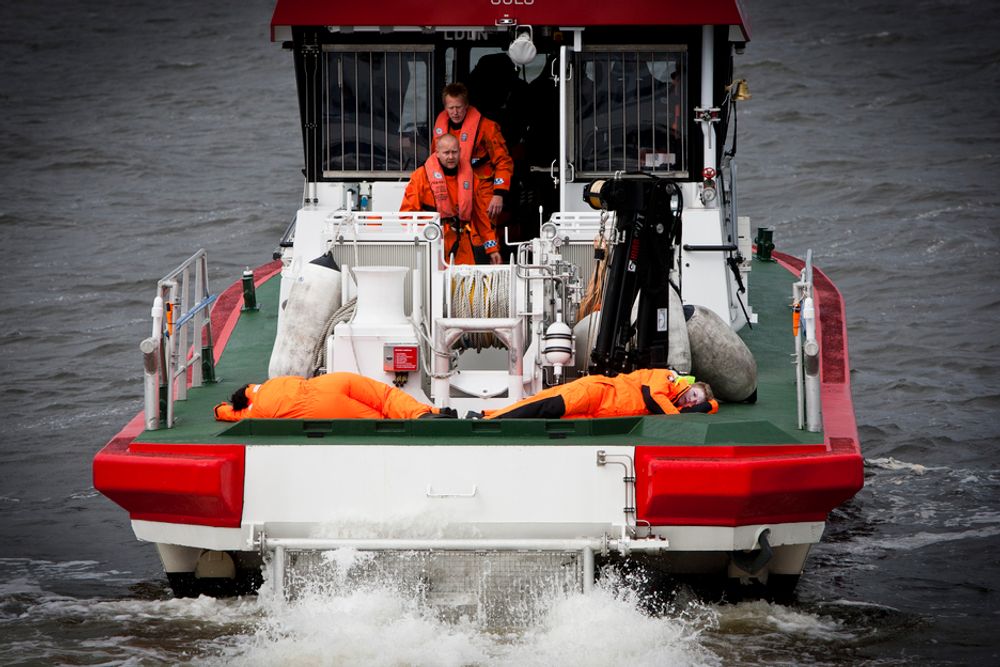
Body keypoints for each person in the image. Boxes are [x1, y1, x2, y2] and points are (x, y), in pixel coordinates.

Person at [434, 82, 513, 251]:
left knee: (485, 234)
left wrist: (499, 194)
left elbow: (503, 161)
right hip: (452, 186)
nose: (455, 112)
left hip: (481, 187)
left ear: (467, 106)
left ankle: (490, 261)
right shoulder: (441, 128)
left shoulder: (488, 127)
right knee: (449, 231)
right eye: (451, 108)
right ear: (445, 108)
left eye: (459, 107)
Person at [401, 133, 501, 265]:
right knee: (434, 284)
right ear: (437, 153)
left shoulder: (471, 177)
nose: (451, 157)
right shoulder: (420, 176)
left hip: (461, 243)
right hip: (432, 242)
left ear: (460, 151)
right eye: (446, 153)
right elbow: (407, 216)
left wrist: (492, 249)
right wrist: (423, 239)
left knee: (465, 283)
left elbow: (481, 217)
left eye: (454, 152)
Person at [483, 369, 717, 419]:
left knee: (542, 409)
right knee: (548, 406)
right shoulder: (669, 379)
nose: (692, 400)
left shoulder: (673, 405)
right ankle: (491, 419)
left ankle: (485, 414)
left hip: (598, 410)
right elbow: (652, 396)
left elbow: (711, 406)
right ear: (689, 386)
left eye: (696, 402)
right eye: (694, 394)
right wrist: (677, 418)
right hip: (598, 393)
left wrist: (709, 405)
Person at [213, 372, 454, 421]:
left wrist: (219, 409)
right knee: (386, 396)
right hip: (334, 381)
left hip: (323, 406)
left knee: (380, 419)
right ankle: (427, 413)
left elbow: (226, 412)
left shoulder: (254, 412)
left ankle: (424, 420)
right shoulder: (270, 383)